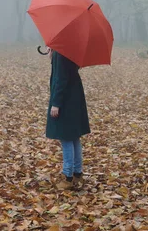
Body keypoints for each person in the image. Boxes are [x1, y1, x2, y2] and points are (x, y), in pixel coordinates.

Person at [45, 48, 90, 190]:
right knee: (74, 137)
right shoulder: (71, 50)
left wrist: (56, 103)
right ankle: (77, 174)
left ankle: (68, 176)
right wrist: (53, 57)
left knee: (66, 138)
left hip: (66, 101)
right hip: (74, 99)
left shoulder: (61, 52)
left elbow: (60, 78)